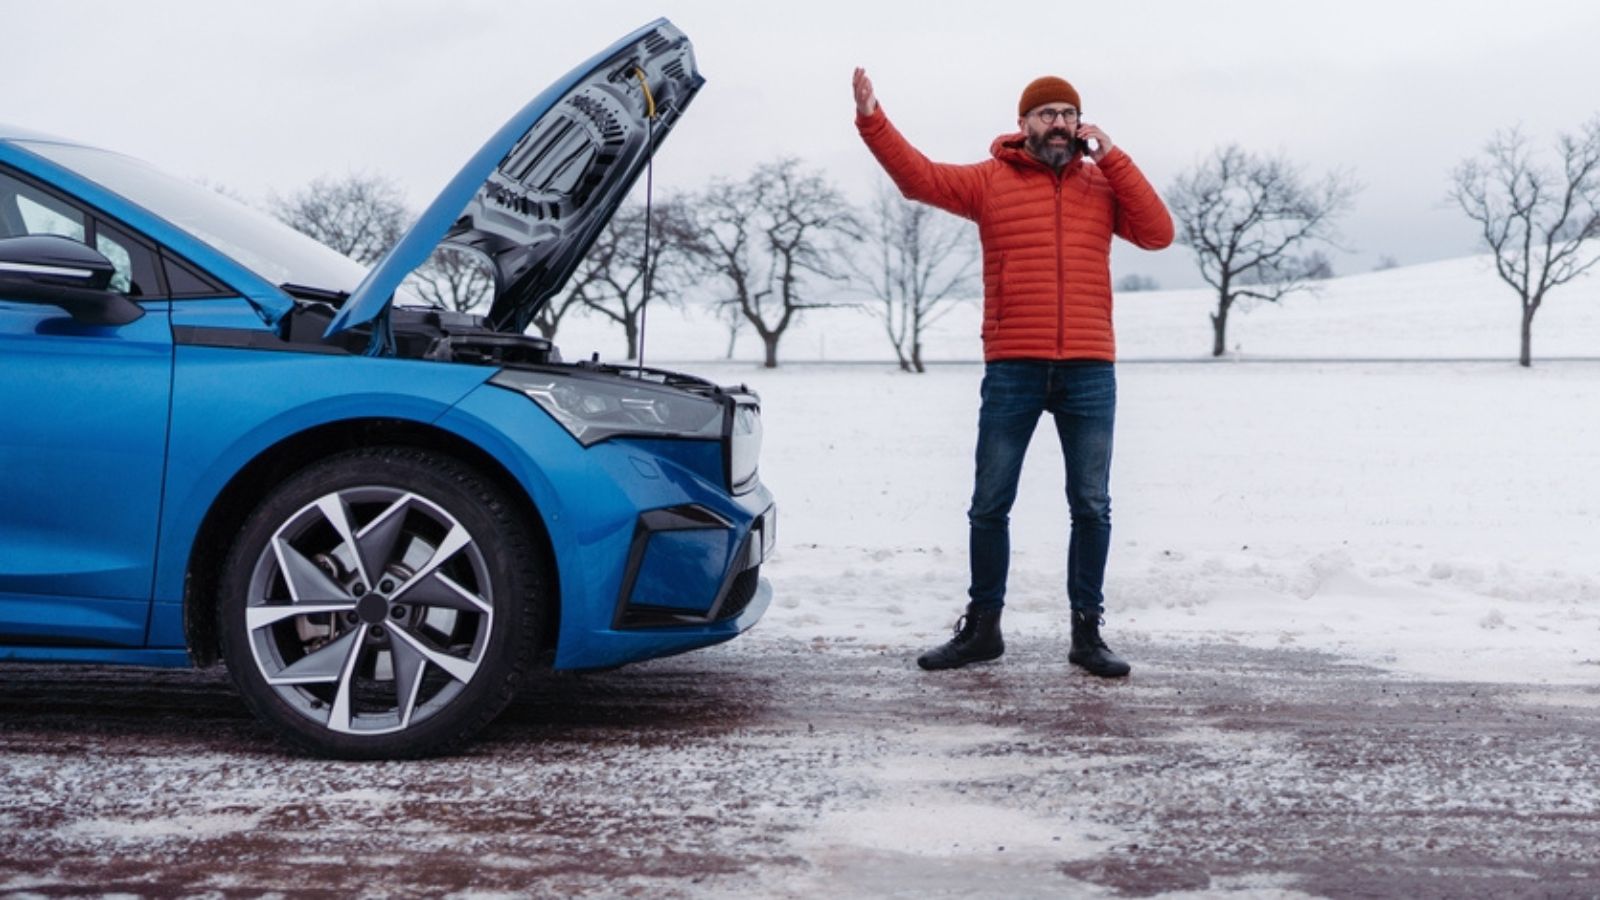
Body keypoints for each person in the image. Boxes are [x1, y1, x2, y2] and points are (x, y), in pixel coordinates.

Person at [852, 68, 1174, 677]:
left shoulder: (1102, 186)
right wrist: (873, 118)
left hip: (1088, 368)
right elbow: (918, 178)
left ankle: (1087, 636)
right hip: (1013, 367)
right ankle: (982, 630)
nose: (1059, 124)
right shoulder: (988, 182)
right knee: (989, 504)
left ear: (1081, 126)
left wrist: (1115, 158)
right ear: (1022, 122)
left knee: (1091, 505)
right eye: (1046, 113)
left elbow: (1159, 234)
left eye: (1068, 115)